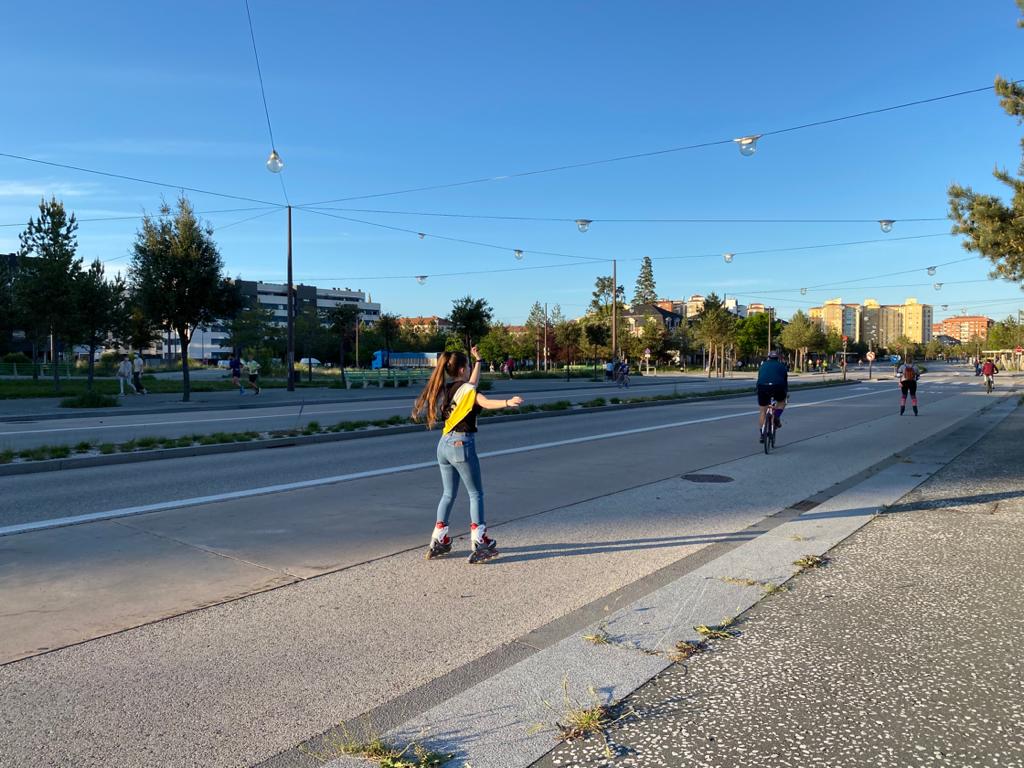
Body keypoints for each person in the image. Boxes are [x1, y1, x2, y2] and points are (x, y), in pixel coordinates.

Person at [412, 346, 524, 564]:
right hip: (461, 444)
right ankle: (480, 541)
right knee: (476, 494)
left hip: (443, 445)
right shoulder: (469, 392)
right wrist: (508, 402)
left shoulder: (448, 388)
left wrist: (479, 360)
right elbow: (484, 401)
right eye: (470, 367)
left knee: (448, 494)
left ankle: (439, 538)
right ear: (463, 370)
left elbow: (471, 385)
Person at [757, 350, 788, 440]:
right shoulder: (782, 366)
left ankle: (763, 434)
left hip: (762, 387)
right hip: (778, 387)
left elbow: (759, 378)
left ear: (768, 357)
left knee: (763, 411)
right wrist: (786, 392)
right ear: (777, 358)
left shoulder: (763, 365)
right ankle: (776, 417)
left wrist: (757, 389)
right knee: (782, 402)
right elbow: (785, 382)